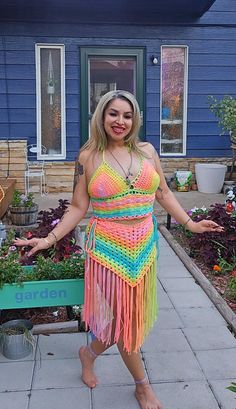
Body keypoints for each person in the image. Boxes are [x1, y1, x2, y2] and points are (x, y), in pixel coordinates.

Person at [14, 90, 223, 409]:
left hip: (144, 248)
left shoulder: (148, 151)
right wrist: (48, 239)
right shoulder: (88, 156)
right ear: (101, 116)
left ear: (135, 119)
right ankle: (142, 386)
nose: (120, 121)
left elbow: (164, 194)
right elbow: (78, 207)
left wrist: (191, 224)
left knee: (125, 322)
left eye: (127, 115)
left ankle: (89, 352)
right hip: (107, 252)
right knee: (126, 324)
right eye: (113, 113)